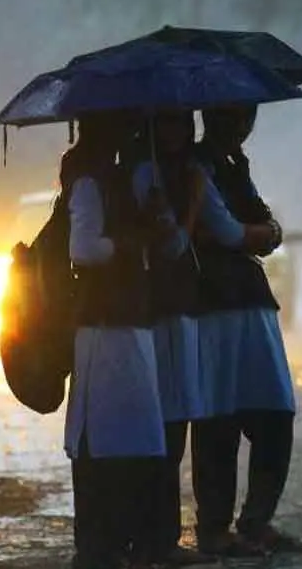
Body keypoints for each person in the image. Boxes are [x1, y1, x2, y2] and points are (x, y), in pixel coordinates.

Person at [190, 104, 302, 556]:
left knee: (275, 413)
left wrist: (259, 231)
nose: (241, 124)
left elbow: (259, 227)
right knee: (218, 417)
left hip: (250, 300)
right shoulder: (196, 166)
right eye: (233, 115)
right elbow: (234, 232)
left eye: (246, 116)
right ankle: (215, 529)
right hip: (213, 302)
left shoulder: (236, 165)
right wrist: (259, 232)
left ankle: (256, 521)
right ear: (210, 116)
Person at [61, 113, 167, 569]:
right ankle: (98, 545)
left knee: (129, 430)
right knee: (103, 435)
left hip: (127, 319)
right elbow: (83, 248)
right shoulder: (90, 179)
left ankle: (117, 539)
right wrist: (129, 243)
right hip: (104, 322)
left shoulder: (118, 176)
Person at [127, 112, 215, 567]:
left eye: (183, 123)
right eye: (169, 123)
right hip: (160, 312)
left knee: (174, 424)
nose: (178, 131)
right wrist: (196, 202)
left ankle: (160, 537)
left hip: (178, 309)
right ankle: (156, 539)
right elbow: (173, 244)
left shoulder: (176, 171)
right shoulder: (148, 175)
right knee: (165, 425)